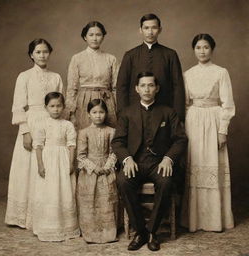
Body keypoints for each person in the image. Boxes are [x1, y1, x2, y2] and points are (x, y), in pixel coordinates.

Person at [112, 72, 187, 251]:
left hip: (159, 162)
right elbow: (118, 141)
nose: (147, 89)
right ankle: (140, 231)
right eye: (143, 86)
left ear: (157, 88)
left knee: (166, 182)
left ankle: (152, 231)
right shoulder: (126, 113)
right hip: (135, 162)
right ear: (137, 89)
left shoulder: (168, 112)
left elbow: (180, 139)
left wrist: (168, 158)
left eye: (151, 85)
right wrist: (127, 159)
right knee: (123, 181)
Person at [5, 39, 63, 229]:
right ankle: (25, 216)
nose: (42, 55)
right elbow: (18, 106)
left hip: (51, 123)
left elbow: (61, 103)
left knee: (48, 164)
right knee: (28, 167)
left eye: (45, 52)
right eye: (38, 52)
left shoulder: (56, 77)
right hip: (32, 121)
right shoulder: (24, 76)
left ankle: (46, 213)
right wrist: (25, 132)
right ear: (31, 55)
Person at [181, 34, 235, 232]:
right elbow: (186, 104)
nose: (202, 51)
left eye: (205, 47)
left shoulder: (221, 72)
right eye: (198, 47)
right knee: (195, 165)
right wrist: (188, 126)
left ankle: (215, 220)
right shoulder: (188, 74)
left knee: (213, 165)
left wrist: (222, 131)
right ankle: (194, 220)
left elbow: (227, 105)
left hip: (213, 119)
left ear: (212, 49)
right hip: (194, 120)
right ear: (193, 50)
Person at [116, 13, 185, 121]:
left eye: (154, 27)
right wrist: (123, 115)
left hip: (164, 113)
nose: (150, 32)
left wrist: (178, 117)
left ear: (160, 30)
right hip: (135, 113)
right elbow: (122, 87)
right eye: (146, 28)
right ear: (140, 30)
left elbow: (178, 87)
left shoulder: (170, 54)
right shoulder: (130, 55)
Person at [32, 92, 79, 241]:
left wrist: (71, 163)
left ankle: (66, 226)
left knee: (64, 190)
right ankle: (48, 226)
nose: (56, 109)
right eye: (52, 106)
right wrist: (40, 164)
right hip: (48, 159)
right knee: (49, 191)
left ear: (64, 107)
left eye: (59, 106)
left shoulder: (68, 125)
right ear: (46, 107)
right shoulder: (42, 124)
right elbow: (38, 145)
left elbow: (72, 145)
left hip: (63, 159)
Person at [77, 99, 118, 243]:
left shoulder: (111, 131)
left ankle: (108, 232)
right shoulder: (84, 133)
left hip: (106, 169)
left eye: (101, 112)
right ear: (89, 114)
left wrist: (107, 167)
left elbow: (114, 152)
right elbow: (80, 156)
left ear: (106, 113)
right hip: (90, 172)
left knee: (107, 198)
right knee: (90, 199)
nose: (98, 115)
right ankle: (91, 231)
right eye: (94, 112)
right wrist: (94, 168)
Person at [65, 21, 119, 129]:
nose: (95, 38)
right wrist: (70, 112)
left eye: (98, 35)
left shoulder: (111, 59)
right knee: (84, 133)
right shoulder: (77, 58)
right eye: (91, 35)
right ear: (85, 37)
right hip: (84, 101)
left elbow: (116, 87)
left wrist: (117, 108)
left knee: (108, 134)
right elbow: (72, 88)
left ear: (103, 37)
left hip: (106, 101)